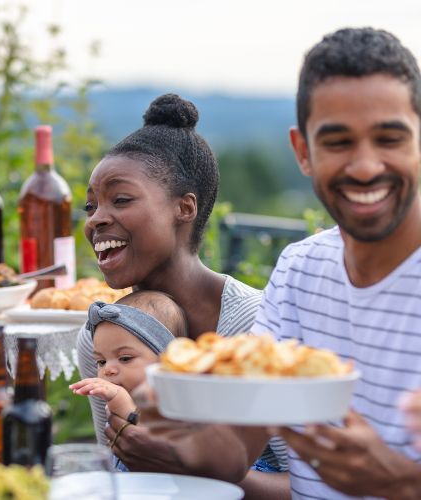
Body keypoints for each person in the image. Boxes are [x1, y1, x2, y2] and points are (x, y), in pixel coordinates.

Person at [133, 27, 421, 499]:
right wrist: (179, 420)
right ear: (303, 152)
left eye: (389, 138)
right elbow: (234, 449)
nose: (366, 166)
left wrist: (403, 483)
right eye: (338, 142)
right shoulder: (300, 269)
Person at [78, 93, 290, 498]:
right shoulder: (101, 338)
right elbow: (121, 472)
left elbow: (313, 487)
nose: (96, 219)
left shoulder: (256, 326)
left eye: (120, 199)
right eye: (91, 206)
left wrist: (187, 465)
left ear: (185, 207)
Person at [70, 290, 188, 471]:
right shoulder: (114, 403)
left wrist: (123, 405)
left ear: (167, 362)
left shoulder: (176, 403)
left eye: (125, 358)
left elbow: (162, 445)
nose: (108, 370)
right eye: (101, 361)